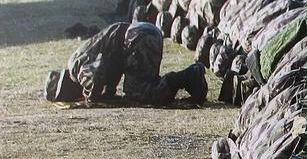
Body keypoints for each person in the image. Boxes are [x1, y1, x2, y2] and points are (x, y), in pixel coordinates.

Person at [44, 21, 207, 105]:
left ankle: (189, 76)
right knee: (144, 87)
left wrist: (91, 99)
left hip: (135, 39)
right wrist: (107, 94)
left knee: (140, 94)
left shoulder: (75, 68)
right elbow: (107, 66)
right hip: (142, 34)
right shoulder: (80, 57)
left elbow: (96, 74)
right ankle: (189, 79)